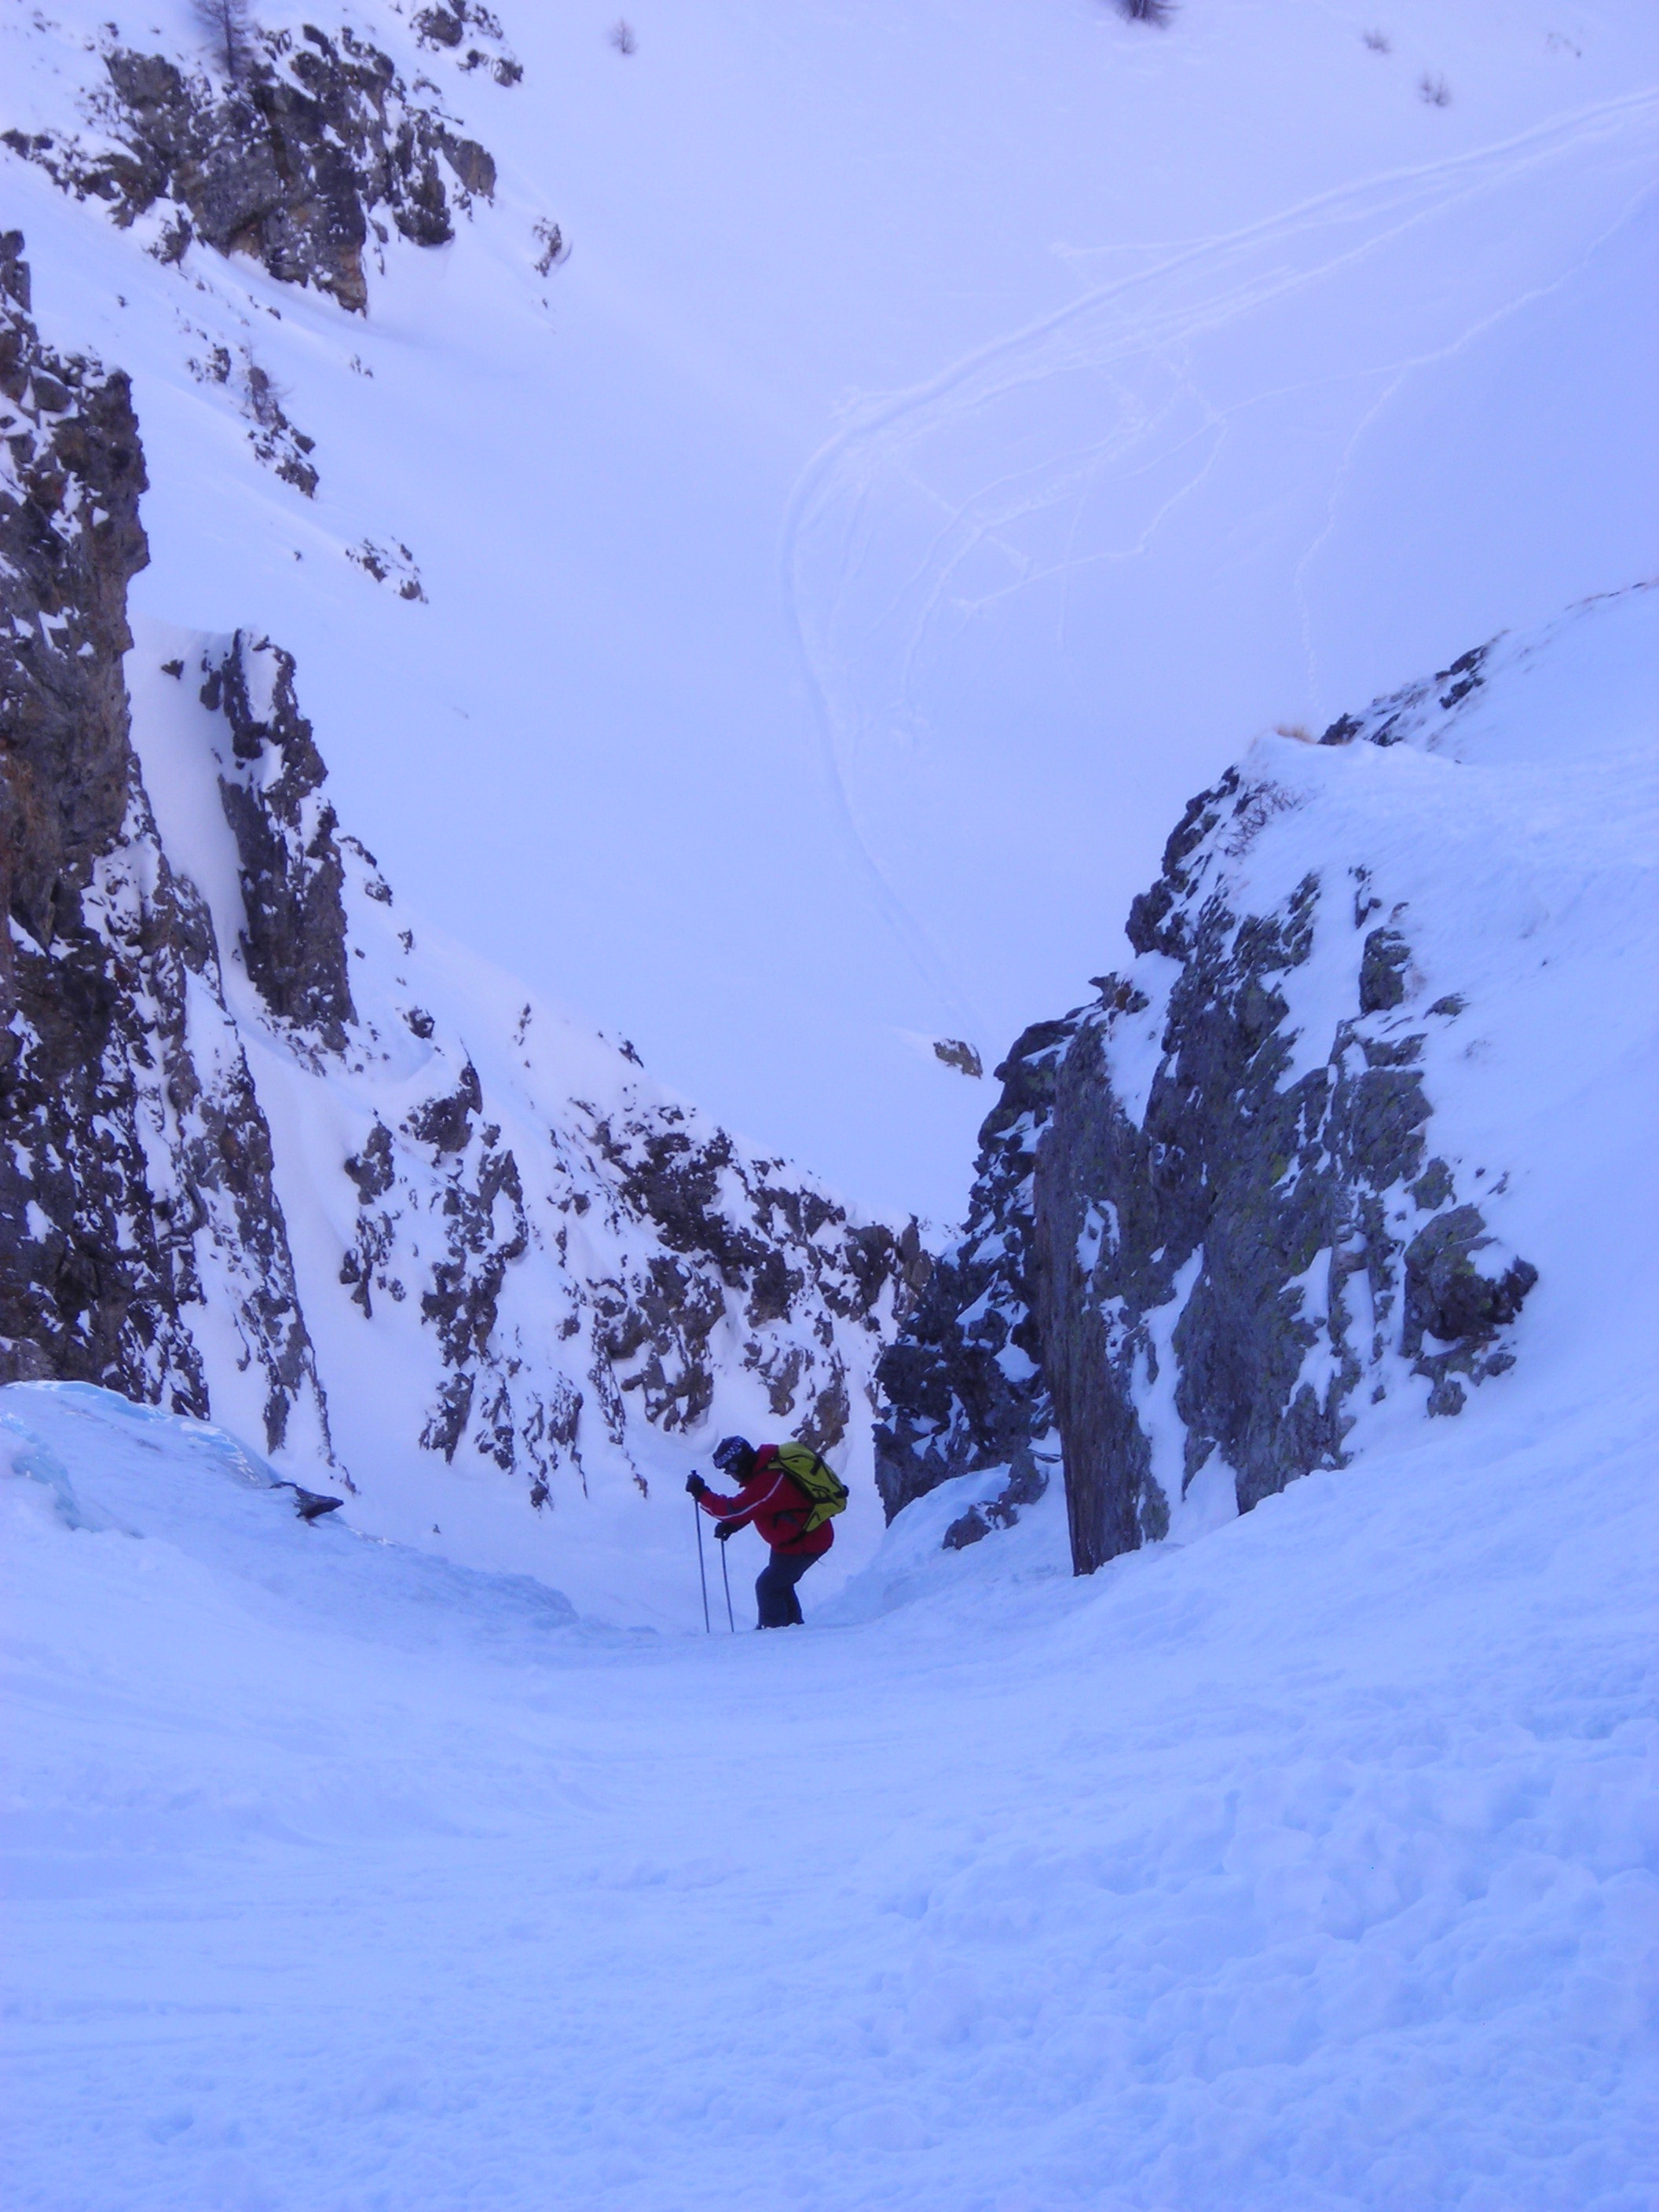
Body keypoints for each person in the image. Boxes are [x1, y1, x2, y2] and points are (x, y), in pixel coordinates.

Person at [687, 1435, 833, 1628]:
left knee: (768, 1587)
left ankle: (772, 1632)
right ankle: (792, 1628)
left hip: (807, 1541)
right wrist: (735, 1524)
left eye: (729, 1470)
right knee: (779, 1584)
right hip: (793, 1540)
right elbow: (763, 1506)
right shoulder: (766, 1470)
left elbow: (733, 1509)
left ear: (738, 1465)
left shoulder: (769, 1480)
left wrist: (701, 1494)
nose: (730, 1475)